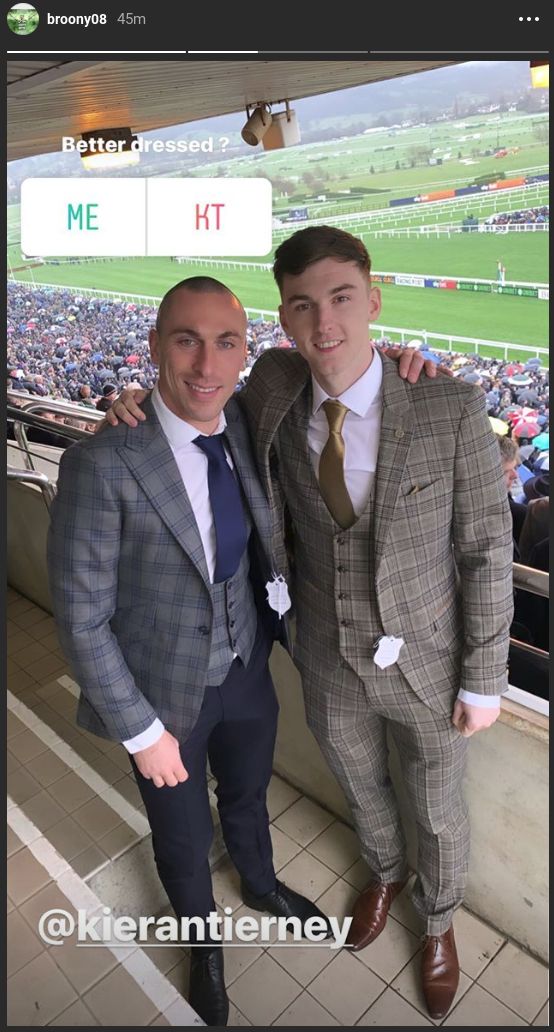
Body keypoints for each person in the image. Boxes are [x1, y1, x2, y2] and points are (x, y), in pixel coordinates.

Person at [105, 227, 513, 1020]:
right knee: (362, 788)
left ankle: (437, 921)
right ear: (285, 320)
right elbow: (190, 400)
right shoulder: (274, 386)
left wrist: (485, 677)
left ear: (374, 299)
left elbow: (488, 551)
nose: (324, 323)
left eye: (341, 298)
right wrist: (131, 401)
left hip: (430, 662)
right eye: (302, 305)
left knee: (438, 804)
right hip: (323, 657)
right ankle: (386, 873)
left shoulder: (450, 403)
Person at [46, 277, 331, 1027]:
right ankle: (202, 942)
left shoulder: (239, 419)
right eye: (186, 340)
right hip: (162, 702)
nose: (207, 365)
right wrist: (142, 735)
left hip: (246, 673)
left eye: (226, 342)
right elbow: (80, 619)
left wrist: (403, 359)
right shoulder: (102, 464)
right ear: (154, 347)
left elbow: (336, 362)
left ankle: (262, 883)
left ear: (243, 353)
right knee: (181, 833)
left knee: (246, 795)